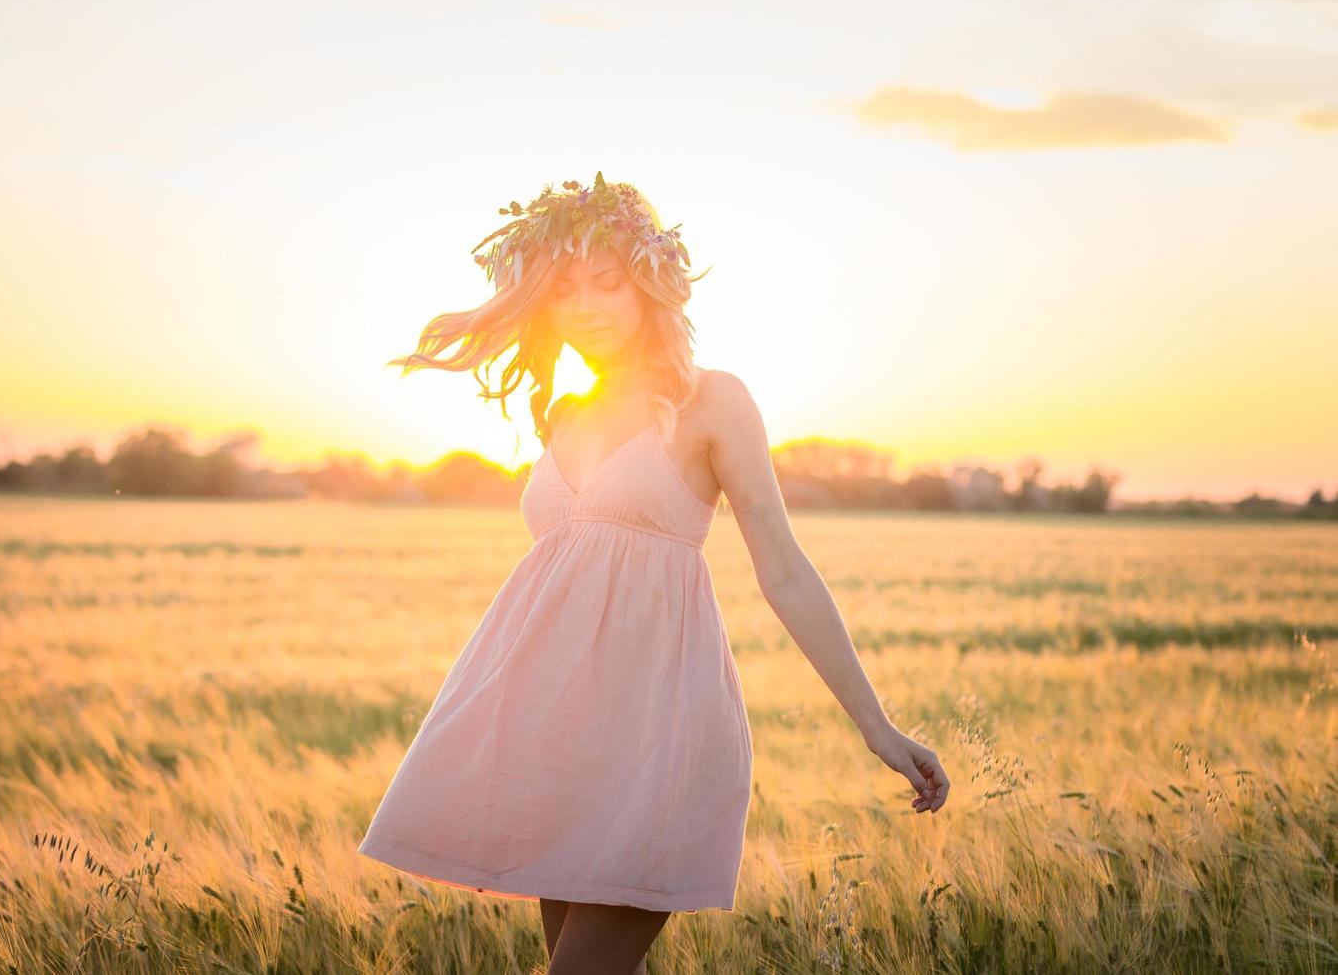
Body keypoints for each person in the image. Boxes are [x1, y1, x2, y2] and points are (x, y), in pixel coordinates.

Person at [358, 173, 951, 975]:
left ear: (649, 286)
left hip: (653, 741)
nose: (588, 306)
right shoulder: (564, 414)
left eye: (608, 282)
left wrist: (876, 725)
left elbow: (783, 568)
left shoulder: (712, 401)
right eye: (564, 290)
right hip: (551, 739)